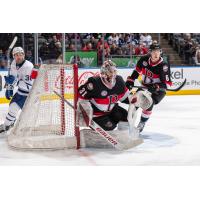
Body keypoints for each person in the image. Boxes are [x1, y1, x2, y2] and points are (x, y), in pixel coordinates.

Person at [125, 42, 172, 133]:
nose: (156, 53)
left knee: (148, 103)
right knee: (134, 101)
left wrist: (157, 86)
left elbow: (166, 84)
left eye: (158, 51)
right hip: (144, 87)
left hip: (158, 90)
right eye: (154, 51)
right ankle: (128, 121)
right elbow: (136, 72)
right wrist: (130, 80)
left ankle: (142, 123)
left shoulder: (164, 65)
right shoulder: (144, 60)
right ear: (150, 52)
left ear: (160, 52)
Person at [78, 60, 134, 131]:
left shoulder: (119, 81)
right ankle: (94, 135)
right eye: (110, 71)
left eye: (114, 71)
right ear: (104, 72)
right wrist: (85, 111)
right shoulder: (95, 82)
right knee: (110, 127)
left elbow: (125, 97)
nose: (113, 74)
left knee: (126, 116)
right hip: (97, 114)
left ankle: (122, 136)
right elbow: (80, 95)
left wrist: (134, 99)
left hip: (112, 110)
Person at [0, 47, 34, 133]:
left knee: (20, 111)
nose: (19, 57)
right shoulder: (13, 63)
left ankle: (7, 125)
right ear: (14, 56)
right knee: (12, 107)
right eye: (16, 55)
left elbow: (28, 85)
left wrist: (15, 81)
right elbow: (13, 77)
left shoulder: (28, 66)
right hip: (20, 92)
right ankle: (8, 124)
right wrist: (9, 88)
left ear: (24, 55)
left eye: (20, 54)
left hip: (29, 94)